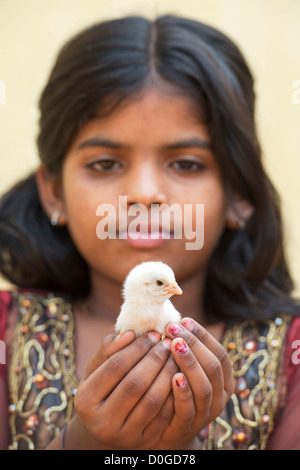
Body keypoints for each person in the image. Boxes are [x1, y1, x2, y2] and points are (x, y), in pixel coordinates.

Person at [0, 14, 299, 450]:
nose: (144, 194)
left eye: (186, 164)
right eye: (105, 163)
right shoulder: (7, 334)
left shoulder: (290, 351)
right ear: (53, 192)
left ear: (239, 192)